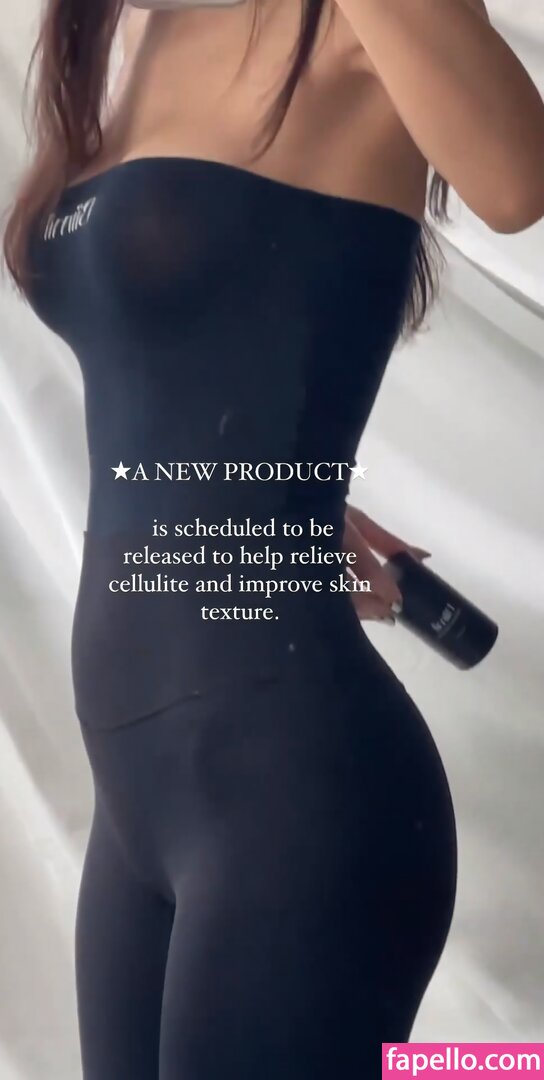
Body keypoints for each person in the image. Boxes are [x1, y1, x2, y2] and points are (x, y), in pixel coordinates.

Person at [3, 1, 543, 1077]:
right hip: (135, 805)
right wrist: (256, 489)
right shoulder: (135, 28)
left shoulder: (350, 19)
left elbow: (516, 180)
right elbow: (185, 351)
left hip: (292, 793)